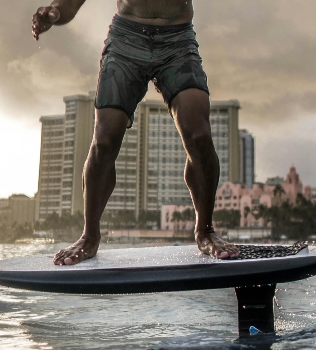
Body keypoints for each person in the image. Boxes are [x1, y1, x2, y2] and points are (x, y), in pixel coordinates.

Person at [32, 0, 240, 265]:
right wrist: (54, 12)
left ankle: (205, 230)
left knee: (199, 135)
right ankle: (89, 235)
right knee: (105, 141)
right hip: (125, 41)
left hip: (177, 41)